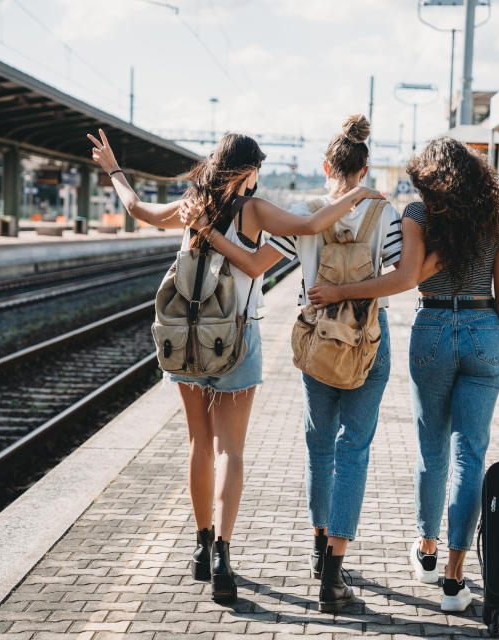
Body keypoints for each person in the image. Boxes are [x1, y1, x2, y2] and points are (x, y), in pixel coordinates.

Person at [86, 128, 383, 604]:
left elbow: (137, 209)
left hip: (185, 341)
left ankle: (201, 549)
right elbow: (309, 226)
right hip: (236, 340)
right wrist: (358, 195)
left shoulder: (190, 205)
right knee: (230, 451)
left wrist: (114, 169)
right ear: (247, 172)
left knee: (199, 444)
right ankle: (223, 554)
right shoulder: (253, 209)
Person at [181, 115, 411, 613]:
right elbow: (398, 276)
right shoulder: (386, 213)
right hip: (368, 339)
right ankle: (333, 572)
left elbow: (260, 261)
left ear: (326, 165)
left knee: (319, 447)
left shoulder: (304, 212)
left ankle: (314, 546)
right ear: (366, 167)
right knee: (355, 450)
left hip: (315, 336)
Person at [308, 136, 499, 613]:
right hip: (484, 333)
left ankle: (428, 551)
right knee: (470, 456)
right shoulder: (498, 221)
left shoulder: (419, 214)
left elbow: (407, 276)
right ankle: (455, 580)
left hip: (433, 327)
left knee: (431, 451)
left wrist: (341, 292)